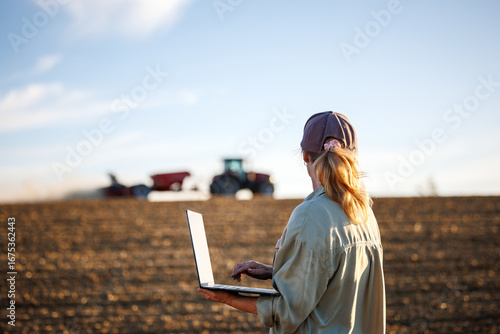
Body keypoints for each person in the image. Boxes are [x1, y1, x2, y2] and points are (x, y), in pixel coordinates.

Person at [199, 111, 386, 333]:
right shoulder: (364, 213)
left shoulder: (310, 215)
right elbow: (335, 280)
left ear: (305, 157)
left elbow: (286, 310)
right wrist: (275, 270)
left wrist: (228, 298)